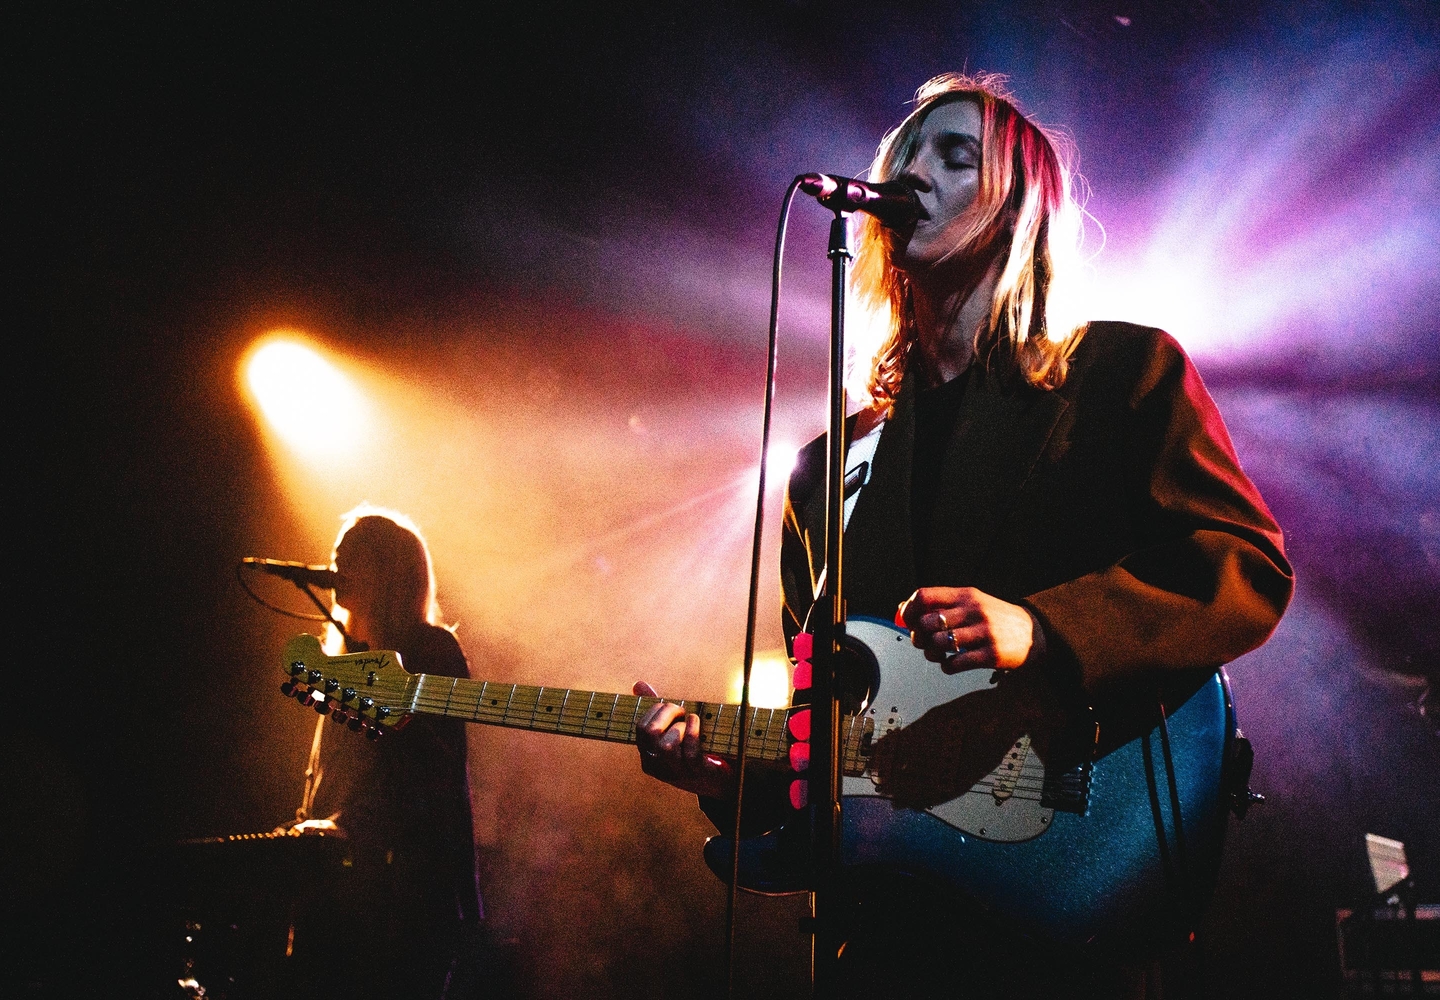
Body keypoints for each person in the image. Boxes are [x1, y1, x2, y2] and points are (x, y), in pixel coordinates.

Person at [633, 72, 1294, 998]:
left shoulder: (1123, 374)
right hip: (888, 932)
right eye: (905, 153)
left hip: (1071, 892)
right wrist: (724, 774)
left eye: (955, 156)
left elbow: (1244, 565)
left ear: (1021, 206)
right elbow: (836, 724)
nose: (917, 173)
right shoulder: (831, 467)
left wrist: (1048, 632)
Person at [305, 507, 483, 998]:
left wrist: (351, 822)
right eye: (335, 555)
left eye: (349, 557)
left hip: (409, 897)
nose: (335, 566)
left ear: (383, 571)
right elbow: (330, 775)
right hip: (339, 894)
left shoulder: (432, 650)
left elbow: (440, 772)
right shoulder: (340, 659)